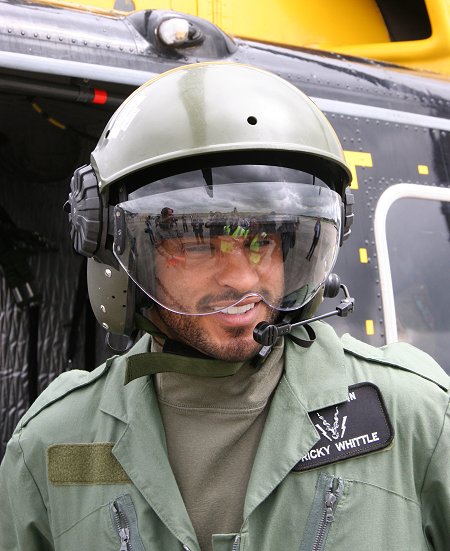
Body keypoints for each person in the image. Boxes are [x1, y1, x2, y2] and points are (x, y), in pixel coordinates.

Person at [0, 63, 448, 551]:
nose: (239, 278)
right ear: (117, 249)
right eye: (196, 243)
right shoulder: (54, 443)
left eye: (261, 241)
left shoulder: (410, 416)